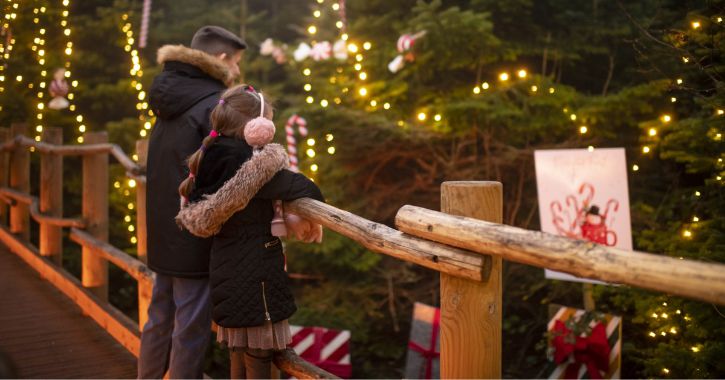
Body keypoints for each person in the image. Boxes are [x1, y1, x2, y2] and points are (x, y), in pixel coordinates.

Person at [175, 84, 324, 379]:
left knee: (240, 355)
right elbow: (299, 187)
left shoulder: (212, 154)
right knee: (258, 356)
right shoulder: (249, 164)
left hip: (229, 266)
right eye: (268, 120)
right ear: (255, 126)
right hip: (255, 276)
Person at [139, 26, 246, 379]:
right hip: (195, 228)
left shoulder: (169, 95)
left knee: (159, 316)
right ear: (221, 59)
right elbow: (228, 167)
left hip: (163, 224)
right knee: (191, 327)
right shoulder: (215, 104)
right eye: (237, 62)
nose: (239, 72)